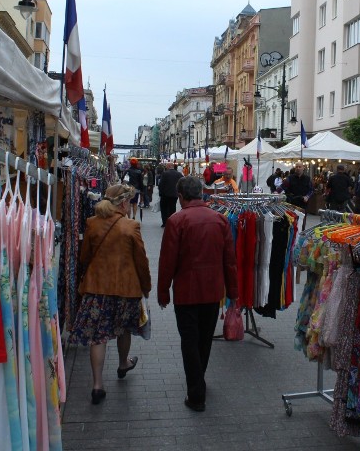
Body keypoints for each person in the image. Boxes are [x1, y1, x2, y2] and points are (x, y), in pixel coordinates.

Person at [157, 176, 238, 412]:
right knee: (204, 339)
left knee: (189, 340)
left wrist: (163, 292)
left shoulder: (177, 221)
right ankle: (198, 378)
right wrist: (233, 292)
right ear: (201, 193)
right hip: (213, 290)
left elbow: (167, 261)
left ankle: (196, 393)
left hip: (186, 291)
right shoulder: (220, 220)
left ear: (181, 196)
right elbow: (230, 261)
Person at [69, 184, 152, 404]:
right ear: (124, 203)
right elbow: (141, 262)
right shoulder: (131, 226)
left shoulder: (92, 224)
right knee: (123, 328)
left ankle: (97, 385)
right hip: (126, 289)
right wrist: (146, 286)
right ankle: (123, 363)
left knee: (98, 336)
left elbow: (84, 256)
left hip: (97, 289)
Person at [158, 162, 183, 227]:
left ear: (169, 166)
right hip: (174, 194)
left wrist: (160, 193)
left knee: (164, 209)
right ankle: (172, 222)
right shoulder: (178, 174)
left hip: (165, 194)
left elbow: (161, 184)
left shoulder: (165, 173)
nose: (165, 167)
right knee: (172, 208)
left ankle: (165, 222)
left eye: (166, 166)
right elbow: (182, 182)